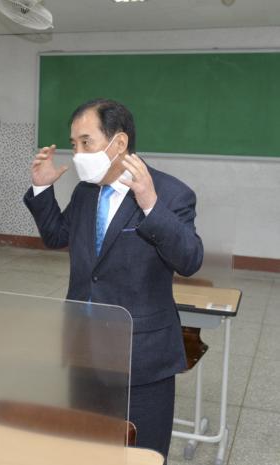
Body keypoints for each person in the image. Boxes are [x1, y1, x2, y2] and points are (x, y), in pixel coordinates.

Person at [24, 98, 203, 459]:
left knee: (143, 454)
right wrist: (42, 189)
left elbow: (190, 260)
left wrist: (151, 205)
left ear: (119, 143)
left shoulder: (171, 193)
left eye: (86, 142)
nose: (78, 154)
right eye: (74, 144)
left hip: (141, 355)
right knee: (88, 449)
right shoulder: (86, 192)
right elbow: (57, 236)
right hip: (84, 349)